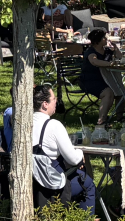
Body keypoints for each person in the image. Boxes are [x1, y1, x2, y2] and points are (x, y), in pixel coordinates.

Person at [25, 83, 95, 213]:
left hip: (31, 182)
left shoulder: (23, 124)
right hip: (52, 184)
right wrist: (80, 152)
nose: (56, 101)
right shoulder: (54, 125)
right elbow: (73, 159)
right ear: (45, 104)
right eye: (54, 99)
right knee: (88, 183)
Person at [77, 29, 123, 126]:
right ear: (99, 40)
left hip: (105, 79)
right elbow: (95, 62)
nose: (106, 39)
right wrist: (110, 64)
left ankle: (120, 118)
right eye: (104, 37)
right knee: (108, 92)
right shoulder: (90, 52)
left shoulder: (107, 50)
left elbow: (121, 57)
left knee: (120, 90)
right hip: (90, 80)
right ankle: (101, 121)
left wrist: (115, 49)